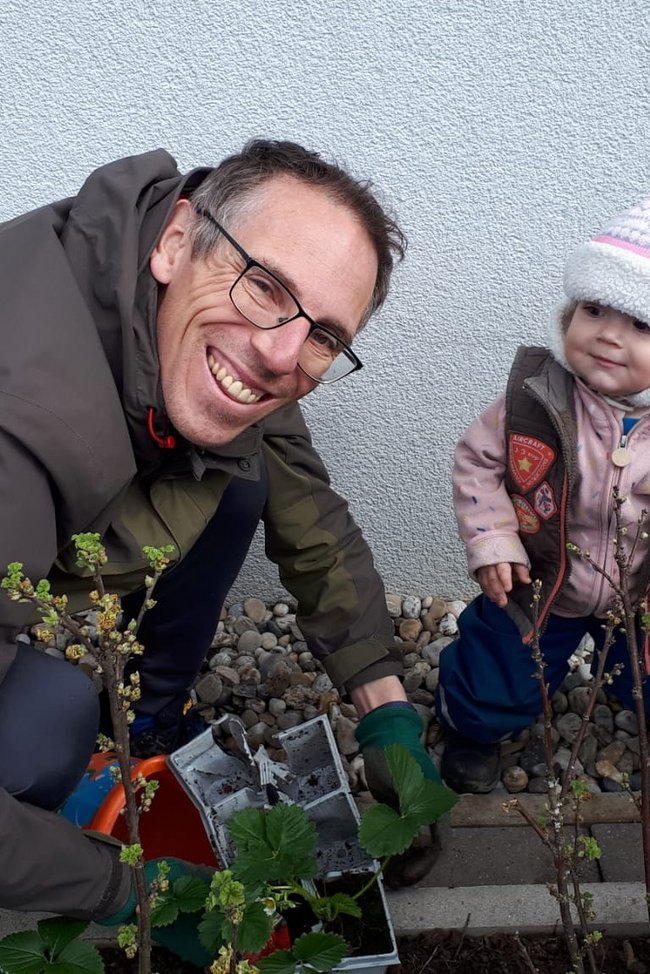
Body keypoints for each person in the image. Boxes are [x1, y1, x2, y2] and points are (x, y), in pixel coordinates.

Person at [0, 141, 449, 959]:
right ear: (177, 240)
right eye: (268, 284)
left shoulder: (194, 308)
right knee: (38, 738)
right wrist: (126, 887)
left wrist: (385, 708)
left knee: (241, 470)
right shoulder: (17, 435)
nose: (282, 351)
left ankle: (143, 721)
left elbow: (306, 504)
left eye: (322, 334)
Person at [437, 195, 650, 794]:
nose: (609, 335)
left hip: (637, 593)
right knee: (502, 666)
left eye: (641, 324)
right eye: (596, 309)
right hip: (541, 579)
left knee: (643, 671)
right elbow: (478, 462)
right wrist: (493, 540)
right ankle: (474, 727)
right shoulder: (537, 400)